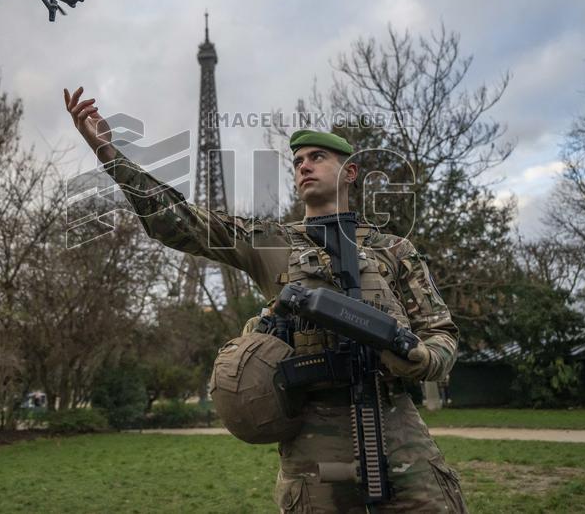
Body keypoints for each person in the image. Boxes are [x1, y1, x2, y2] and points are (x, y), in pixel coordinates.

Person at [63, 86, 467, 513]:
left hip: (399, 425)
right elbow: (177, 220)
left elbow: (441, 333)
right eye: (297, 162)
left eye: (317, 158)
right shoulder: (271, 242)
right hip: (314, 437)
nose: (304, 166)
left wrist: (423, 358)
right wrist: (111, 155)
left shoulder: (395, 251)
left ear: (350, 172)